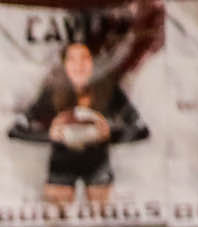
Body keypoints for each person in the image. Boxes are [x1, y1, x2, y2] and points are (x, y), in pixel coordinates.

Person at [10, 40, 150, 209]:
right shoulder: (51, 93)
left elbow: (141, 130)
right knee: (56, 224)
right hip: (61, 167)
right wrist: (50, 135)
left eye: (85, 58)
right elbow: (16, 131)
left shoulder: (109, 91)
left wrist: (108, 134)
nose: (79, 65)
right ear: (64, 64)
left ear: (94, 63)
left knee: (102, 223)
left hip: (98, 167)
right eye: (72, 59)